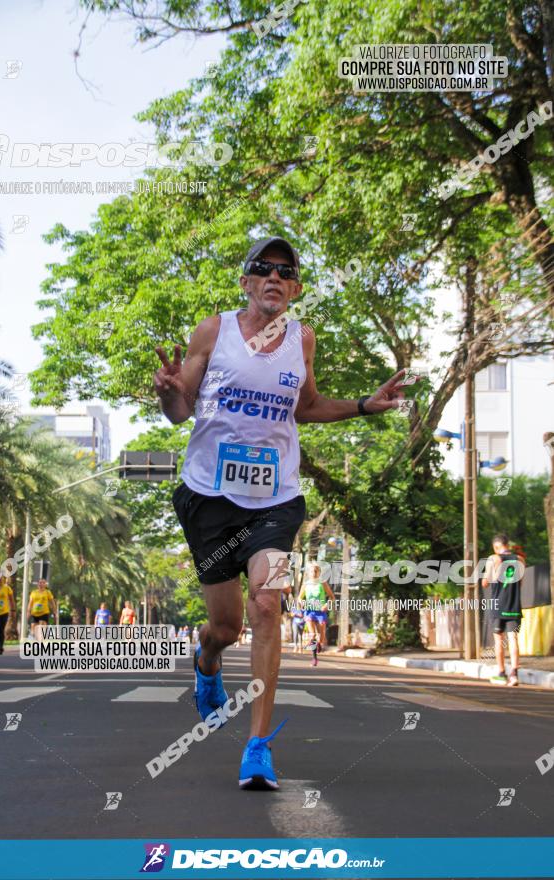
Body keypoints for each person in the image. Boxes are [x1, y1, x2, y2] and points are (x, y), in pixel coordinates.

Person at [153, 234, 417, 789]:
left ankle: (258, 746)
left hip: (276, 500)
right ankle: (207, 660)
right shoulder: (215, 331)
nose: (274, 277)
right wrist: (169, 392)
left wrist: (367, 404)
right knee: (224, 626)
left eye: (285, 271)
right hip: (210, 498)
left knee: (268, 604)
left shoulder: (304, 340)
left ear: (294, 289)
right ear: (246, 282)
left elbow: (308, 407)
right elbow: (180, 412)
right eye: (263, 269)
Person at [481, 533, 524, 686]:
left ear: (496, 546)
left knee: (499, 640)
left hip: (497, 605)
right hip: (514, 605)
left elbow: (485, 582)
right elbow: (521, 583)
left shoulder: (494, 559)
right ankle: (514, 674)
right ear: (508, 544)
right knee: (513, 639)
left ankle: (501, 673)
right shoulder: (520, 559)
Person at [299, 562, 336, 666]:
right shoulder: (305, 584)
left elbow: (332, 597)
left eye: (316, 571)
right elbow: (299, 598)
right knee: (313, 635)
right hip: (310, 611)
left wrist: (326, 605)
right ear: (308, 573)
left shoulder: (323, 583)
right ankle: (314, 658)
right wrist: (302, 602)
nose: (314, 573)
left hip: (320, 612)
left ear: (319, 573)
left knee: (321, 639)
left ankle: (319, 644)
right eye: (312, 571)